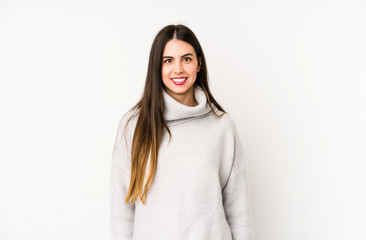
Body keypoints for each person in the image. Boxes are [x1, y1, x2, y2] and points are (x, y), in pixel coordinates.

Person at [110, 24, 254, 240]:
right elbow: (122, 212)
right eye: (168, 60)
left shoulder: (222, 126)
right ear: (156, 67)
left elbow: (239, 211)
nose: (178, 69)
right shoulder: (134, 125)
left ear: (199, 64)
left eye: (186, 59)